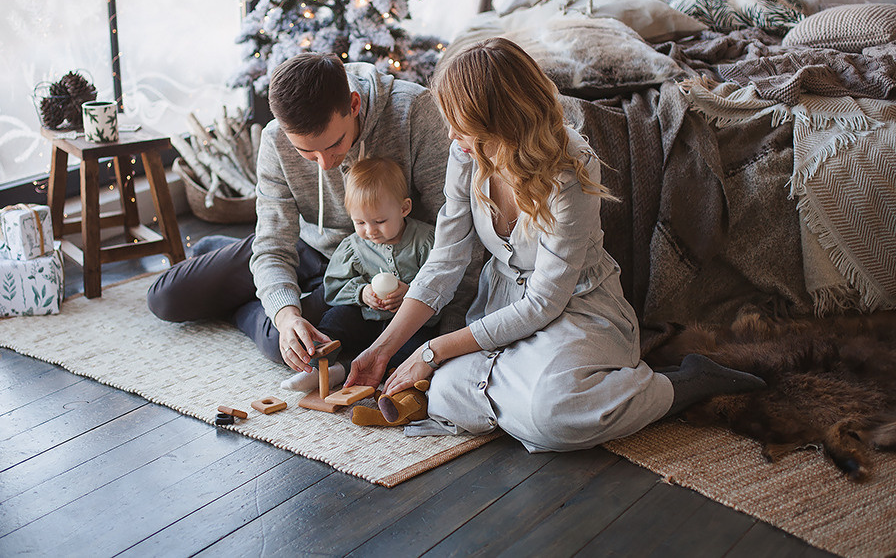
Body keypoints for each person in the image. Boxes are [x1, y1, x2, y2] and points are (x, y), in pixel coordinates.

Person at [346, 38, 765, 452]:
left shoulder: (571, 166)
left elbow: (545, 301)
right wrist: (381, 350)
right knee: (446, 393)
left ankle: (679, 385)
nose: (453, 135)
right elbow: (445, 259)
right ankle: (524, 397)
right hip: (503, 307)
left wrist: (433, 349)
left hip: (576, 309)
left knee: (553, 412)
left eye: (463, 124)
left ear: (502, 119)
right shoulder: (466, 153)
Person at [147, 53, 469, 376]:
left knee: (287, 346)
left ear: (354, 105)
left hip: (367, 264)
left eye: (335, 144)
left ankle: (236, 300)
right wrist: (286, 314)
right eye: (307, 152)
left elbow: (455, 237)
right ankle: (224, 258)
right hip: (305, 246)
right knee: (165, 299)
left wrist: (444, 339)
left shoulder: (414, 112)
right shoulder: (276, 140)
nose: (326, 164)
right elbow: (274, 245)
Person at [317, 156, 440, 364]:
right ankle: (317, 366)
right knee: (333, 321)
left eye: (380, 221)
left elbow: (442, 285)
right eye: (360, 222)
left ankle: (347, 370)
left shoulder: (425, 241)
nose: (370, 230)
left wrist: (411, 293)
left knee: (419, 350)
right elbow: (332, 287)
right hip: (366, 319)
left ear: (404, 209)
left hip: (409, 326)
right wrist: (362, 293)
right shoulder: (353, 246)